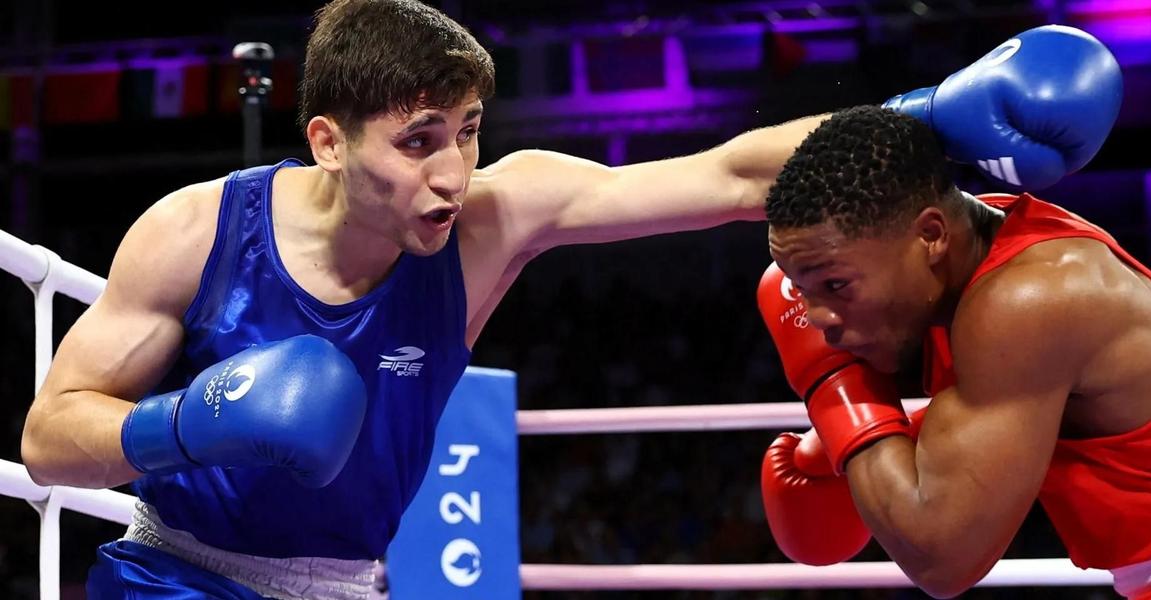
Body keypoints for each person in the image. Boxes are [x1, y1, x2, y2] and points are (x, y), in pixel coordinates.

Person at [19, 0, 832, 598]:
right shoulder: (197, 230)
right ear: (329, 142)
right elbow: (47, 438)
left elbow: (732, 176)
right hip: (173, 570)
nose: (453, 171)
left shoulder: (494, 220)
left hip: (340, 585)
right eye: (418, 140)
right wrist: (190, 425)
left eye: (468, 130)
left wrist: (921, 129)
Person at [756, 26, 1151, 600]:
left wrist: (833, 386)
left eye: (836, 284)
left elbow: (942, 560)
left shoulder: (1029, 297)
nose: (814, 315)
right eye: (801, 285)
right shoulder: (976, 244)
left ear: (931, 236)